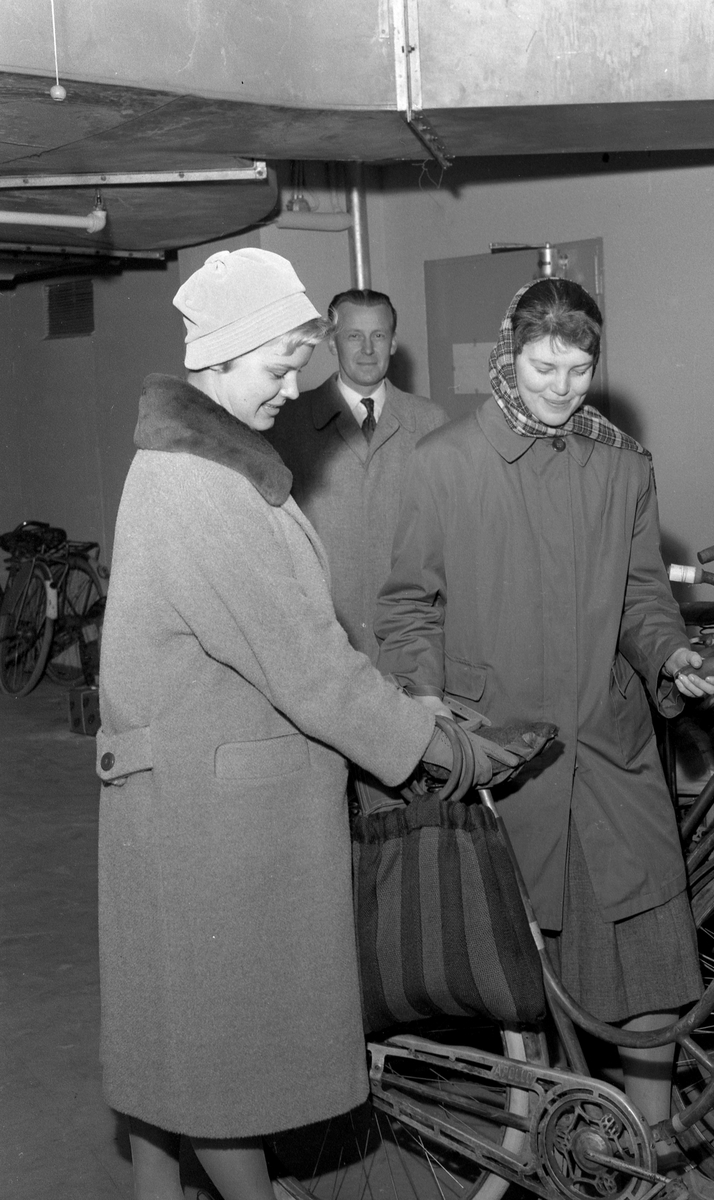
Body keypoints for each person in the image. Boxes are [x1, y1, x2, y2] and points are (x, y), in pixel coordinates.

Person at [96, 249, 517, 1200]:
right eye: (279, 364)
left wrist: (402, 707)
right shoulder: (200, 487)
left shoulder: (203, 466)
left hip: (196, 799)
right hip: (211, 819)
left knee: (177, 1052)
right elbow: (305, 663)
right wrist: (430, 745)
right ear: (223, 353)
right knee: (221, 1065)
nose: (293, 388)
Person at [375, 278, 714, 1152]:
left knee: (650, 955)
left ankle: (648, 1146)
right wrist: (426, 705)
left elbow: (643, 599)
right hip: (502, 755)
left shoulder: (622, 465)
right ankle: (538, 1142)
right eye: (543, 368)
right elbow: (408, 606)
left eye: (579, 369)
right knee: (515, 981)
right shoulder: (446, 462)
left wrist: (671, 656)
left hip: (610, 751)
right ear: (508, 357)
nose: (563, 388)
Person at [267, 288, 446, 663]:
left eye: (378, 335)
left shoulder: (432, 423)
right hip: (321, 647)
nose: (367, 349)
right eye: (353, 336)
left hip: (410, 646)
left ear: (393, 342)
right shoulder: (286, 425)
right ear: (332, 343)